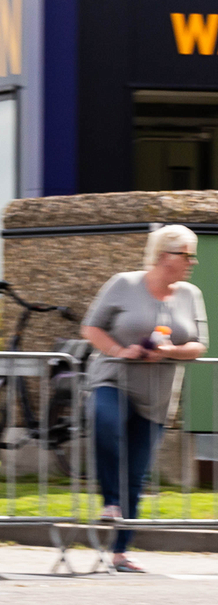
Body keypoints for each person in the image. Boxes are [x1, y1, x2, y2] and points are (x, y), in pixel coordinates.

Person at [81, 225, 207, 573]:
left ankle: (120, 553)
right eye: (187, 255)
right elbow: (91, 328)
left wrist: (170, 351)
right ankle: (110, 503)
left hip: (157, 396)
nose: (192, 262)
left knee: (136, 473)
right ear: (165, 256)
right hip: (113, 379)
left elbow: (199, 344)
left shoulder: (190, 294)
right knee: (106, 422)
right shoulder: (124, 283)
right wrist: (122, 350)